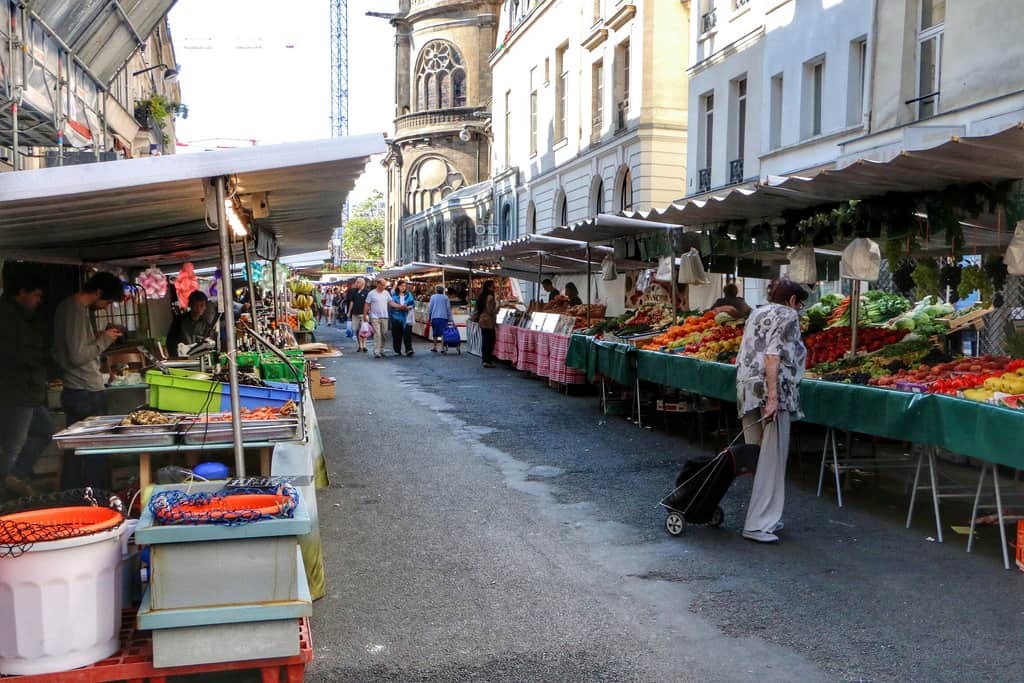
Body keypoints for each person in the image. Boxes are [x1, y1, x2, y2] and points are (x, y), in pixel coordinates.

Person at [734, 278, 808, 544]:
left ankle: (765, 518)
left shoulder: (757, 312)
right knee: (772, 460)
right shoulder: (788, 315)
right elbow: (773, 355)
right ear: (791, 300)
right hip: (771, 392)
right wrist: (774, 397)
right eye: (800, 303)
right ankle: (758, 523)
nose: (800, 308)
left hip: (747, 390)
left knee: (757, 456)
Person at [54, 271, 126, 490]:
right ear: (98, 292)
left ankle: (75, 496)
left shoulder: (74, 309)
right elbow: (77, 356)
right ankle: (97, 497)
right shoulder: (74, 310)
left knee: (76, 451)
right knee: (94, 450)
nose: (106, 306)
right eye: (108, 301)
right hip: (84, 391)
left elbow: (72, 350)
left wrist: (95, 338)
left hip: (78, 389)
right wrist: (104, 340)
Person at [0, 268, 51, 498]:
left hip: (28, 392)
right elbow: (19, 354)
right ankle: (6, 493)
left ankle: (15, 478)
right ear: (22, 292)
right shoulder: (8, 318)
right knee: (12, 447)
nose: (38, 301)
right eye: (36, 295)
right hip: (16, 393)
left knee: (43, 431)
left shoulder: (19, 316)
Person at [167, 291, 216, 356]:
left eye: (201, 305)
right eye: (196, 305)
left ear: (205, 307)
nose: (198, 309)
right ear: (190, 305)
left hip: (199, 359)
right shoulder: (179, 321)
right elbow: (170, 342)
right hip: (181, 359)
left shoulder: (206, 325)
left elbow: (209, 344)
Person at [364, 279, 392, 358]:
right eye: (383, 285)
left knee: (384, 334)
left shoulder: (386, 293)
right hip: (375, 317)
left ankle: (381, 349)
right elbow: (367, 304)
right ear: (378, 284)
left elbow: (391, 302)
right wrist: (365, 315)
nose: (384, 287)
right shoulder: (371, 293)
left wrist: (400, 306)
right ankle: (377, 351)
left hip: (385, 316)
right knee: (377, 334)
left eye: (385, 285)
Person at [389, 280, 415, 357]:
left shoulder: (409, 294)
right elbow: (392, 306)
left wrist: (409, 307)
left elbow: (412, 304)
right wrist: (400, 307)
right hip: (396, 317)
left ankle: (408, 349)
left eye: (404, 286)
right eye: (402, 286)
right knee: (397, 335)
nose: (403, 287)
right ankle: (397, 350)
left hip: (407, 317)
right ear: (398, 286)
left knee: (407, 334)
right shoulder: (393, 295)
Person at [476, 281, 498, 368]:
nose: (495, 288)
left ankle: (485, 360)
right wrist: (498, 308)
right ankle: (487, 360)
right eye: (493, 286)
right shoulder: (490, 297)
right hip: (488, 321)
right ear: (489, 287)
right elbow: (490, 311)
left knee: (485, 340)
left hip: (482, 319)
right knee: (490, 340)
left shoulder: (482, 296)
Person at [346, 278, 371, 352]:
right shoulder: (354, 291)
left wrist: (368, 312)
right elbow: (352, 302)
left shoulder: (367, 292)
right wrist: (349, 312)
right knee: (357, 330)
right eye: (356, 282)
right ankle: (360, 345)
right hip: (355, 313)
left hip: (364, 313)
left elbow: (369, 303)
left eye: (357, 282)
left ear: (362, 283)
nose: (356, 284)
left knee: (364, 330)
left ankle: (364, 345)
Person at [428, 285, 453, 353]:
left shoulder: (433, 297)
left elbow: (430, 307)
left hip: (434, 317)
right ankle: (442, 348)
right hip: (443, 317)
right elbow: (448, 308)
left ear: (436, 290)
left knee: (435, 333)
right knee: (443, 333)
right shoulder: (446, 297)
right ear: (443, 291)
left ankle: (435, 347)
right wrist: (450, 318)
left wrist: (429, 316)